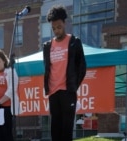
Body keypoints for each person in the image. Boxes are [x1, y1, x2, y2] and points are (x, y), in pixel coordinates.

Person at [43, 5, 87, 141]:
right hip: (53, 93)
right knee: (55, 129)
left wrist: (72, 86)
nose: (56, 30)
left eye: (59, 26)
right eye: (54, 28)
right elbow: (47, 69)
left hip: (68, 92)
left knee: (66, 130)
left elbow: (82, 67)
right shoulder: (47, 46)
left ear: (65, 23)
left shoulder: (74, 42)